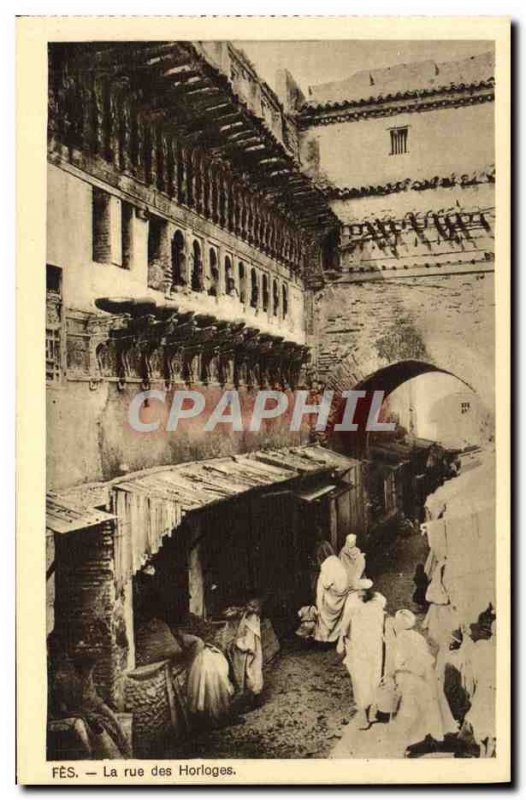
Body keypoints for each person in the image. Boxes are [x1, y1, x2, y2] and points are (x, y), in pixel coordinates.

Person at [389, 609, 457, 754]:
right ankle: (431, 736)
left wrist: (394, 675)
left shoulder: (400, 638)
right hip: (426, 675)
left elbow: (399, 661)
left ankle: (412, 743)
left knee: (410, 710)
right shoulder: (417, 636)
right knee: (428, 707)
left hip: (412, 676)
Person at [337, 579, 386, 729]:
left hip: (373, 644)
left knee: (371, 675)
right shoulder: (356, 602)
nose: (360, 593)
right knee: (363, 676)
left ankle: (370, 711)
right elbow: (344, 624)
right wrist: (341, 640)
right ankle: (366, 711)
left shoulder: (377, 601)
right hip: (360, 644)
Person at [314, 541, 350, 643]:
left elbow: (325, 583)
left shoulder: (326, 565)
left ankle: (323, 639)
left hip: (333, 600)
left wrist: (319, 606)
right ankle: (334, 637)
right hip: (342, 596)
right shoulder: (337, 561)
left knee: (320, 592)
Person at [230, 598, 264, 705]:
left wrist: (239, 644)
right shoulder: (250, 617)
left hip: (251, 651)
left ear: (255, 608)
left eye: (250, 605)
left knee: (251, 673)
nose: (247, 607)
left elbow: (249, 639)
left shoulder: (252, 620)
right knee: (254, 672)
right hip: (254, 650)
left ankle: (255, 700)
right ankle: (254, 698)